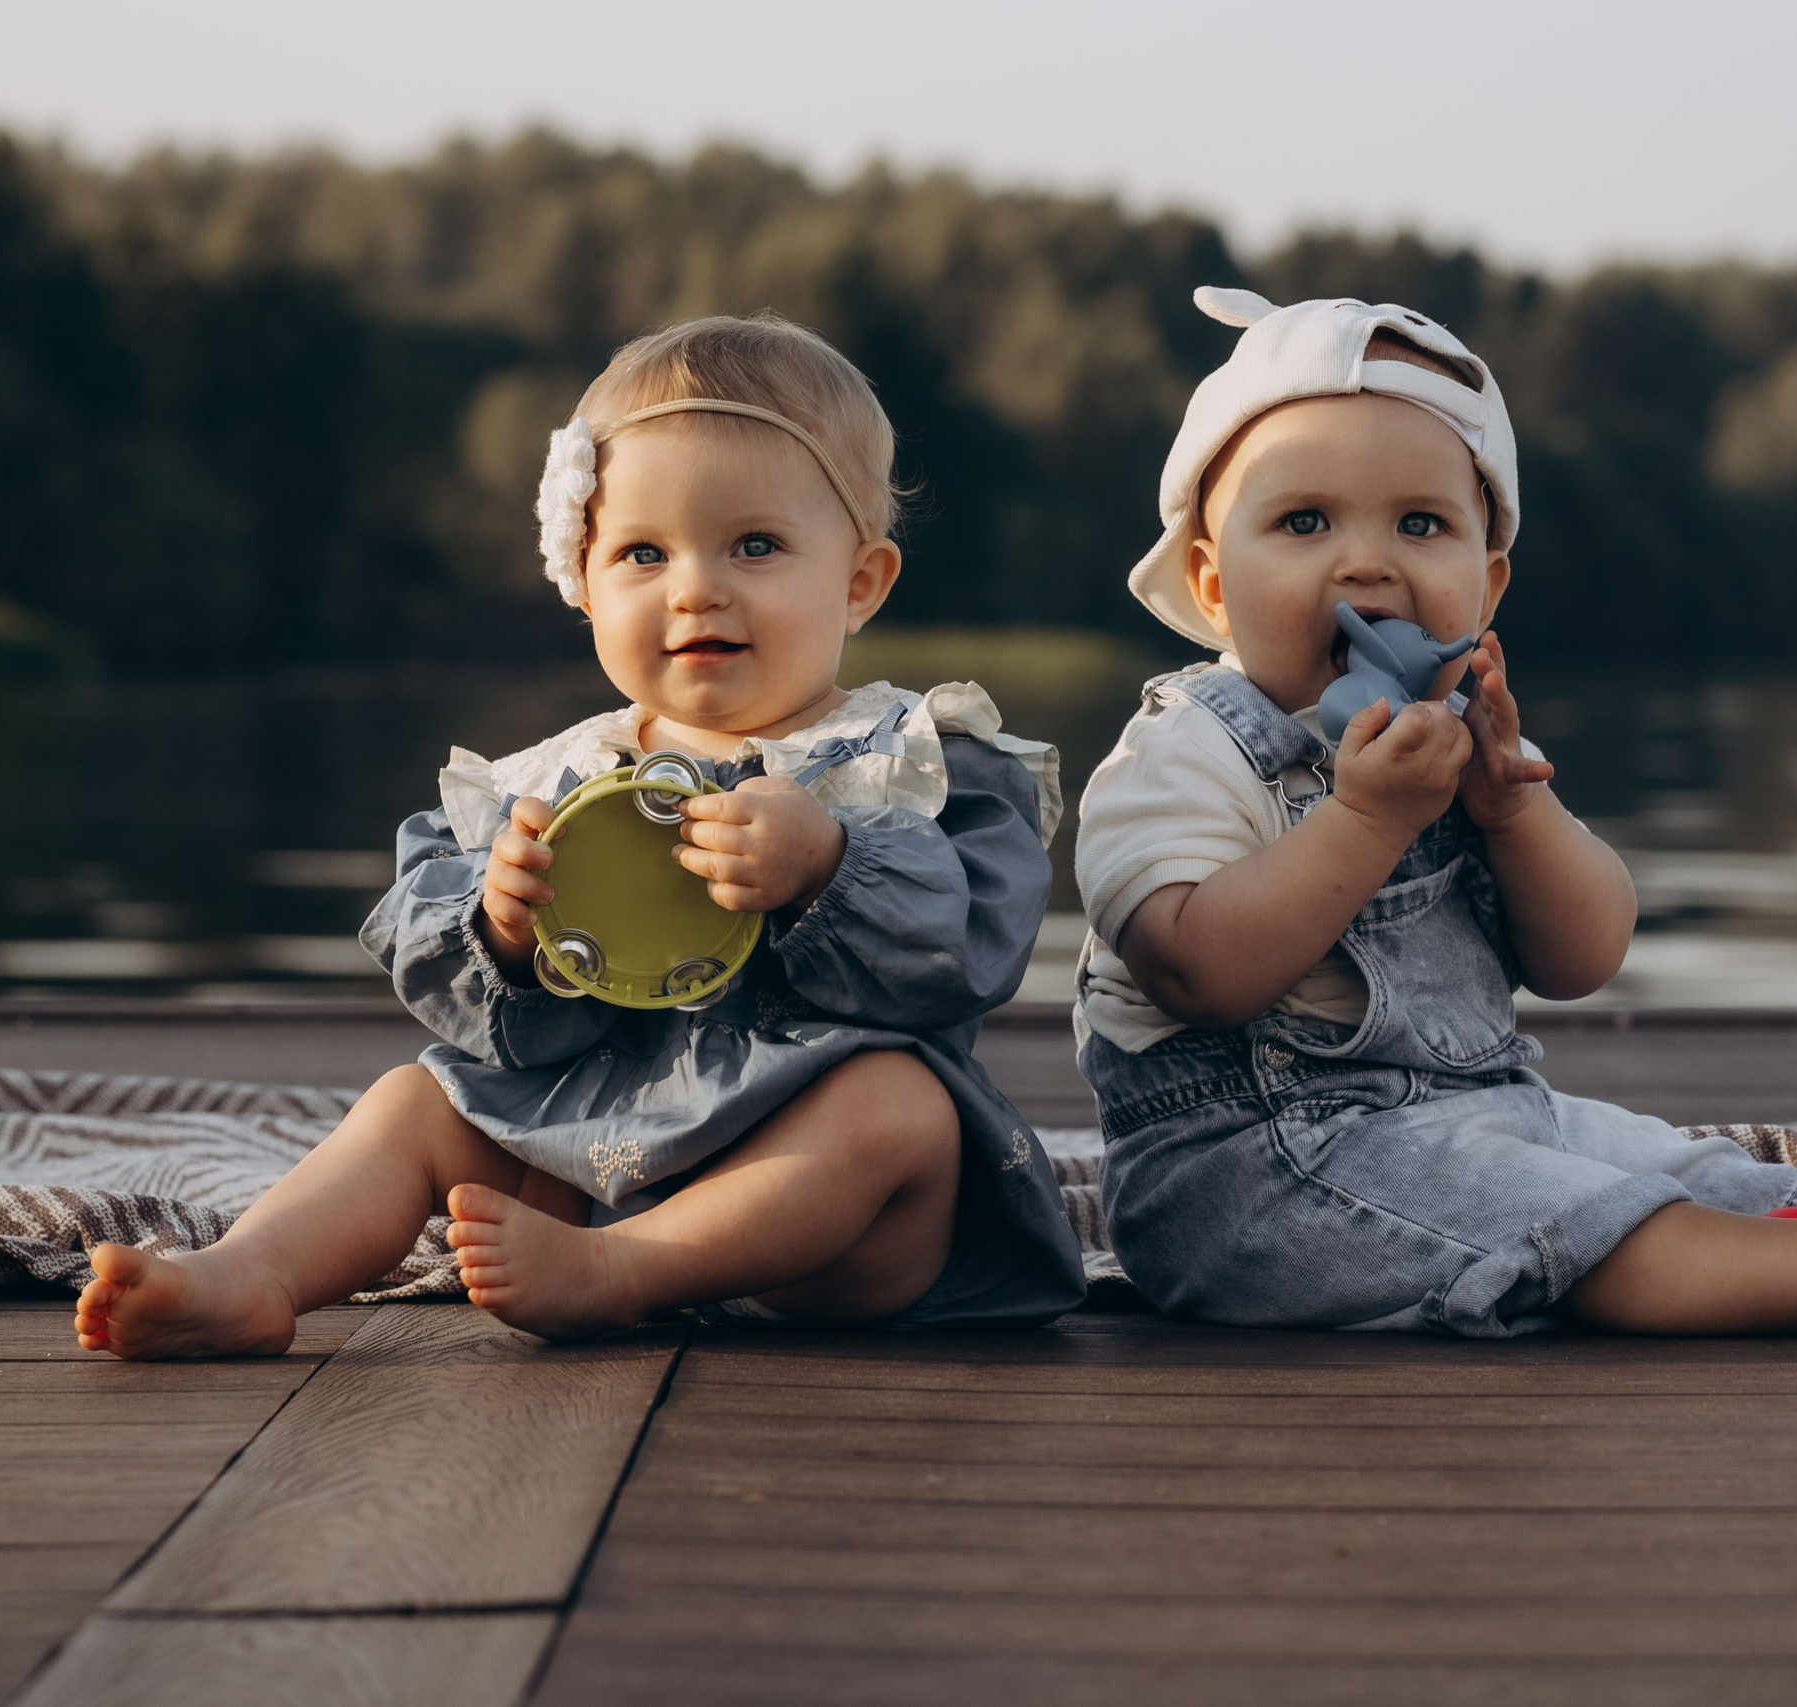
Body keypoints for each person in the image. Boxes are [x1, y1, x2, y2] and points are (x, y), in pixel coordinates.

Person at [77, 313, 1085, 1357]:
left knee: (900, 1106)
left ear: (859, 580)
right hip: (600, 1164)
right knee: (416, 1100)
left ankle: (626, 1274)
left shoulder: (913, 758)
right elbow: (453, 996)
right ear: (585, 582)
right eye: (644, 552)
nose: (696, 586)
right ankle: (249, 1275)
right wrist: (503, 928)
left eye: (755, 544)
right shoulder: (549, 781)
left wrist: (829, 867)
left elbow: (975, 950)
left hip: (830, 1237)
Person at [1073, 287, 1797, 1337]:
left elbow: (1584, 955)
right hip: (1251, 1182)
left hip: (1476, 1116)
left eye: (1421, 523)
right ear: (1210, 582)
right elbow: (1195, 968)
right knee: (1581, 1219)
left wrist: (1511, 817)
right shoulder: (1186, 748)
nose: (1365, 563)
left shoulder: (1462, 740)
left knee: (1664, 1162)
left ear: (1486, 586)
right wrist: (1364, 823)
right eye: (1302, 521)